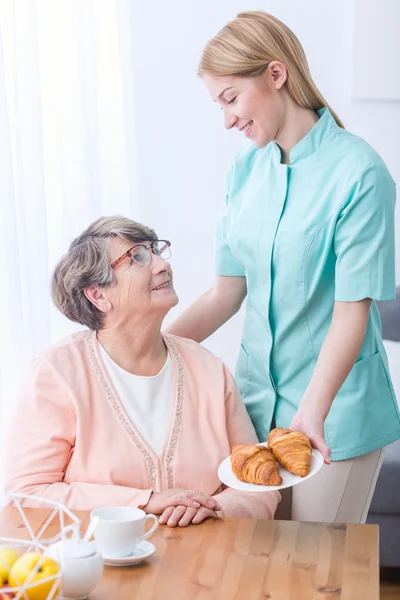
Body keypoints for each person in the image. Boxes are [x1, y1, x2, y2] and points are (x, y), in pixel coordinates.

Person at [166, 11, 400, 523]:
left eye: (231, 98)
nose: (226, 119)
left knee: (318, 571)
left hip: (333, 412)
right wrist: (147, 352)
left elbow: (351, 311)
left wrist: (313, 410)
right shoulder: (244, 170)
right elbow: (226, 293)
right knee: (258, 562)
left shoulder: (360, 173)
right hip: (253, 409)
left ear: (276, 74)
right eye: (218, 104)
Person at [4, 216, 279, 526]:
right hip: (101, 566)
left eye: (157, 250)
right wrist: (142, 502)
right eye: (137, 256)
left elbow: (261, 484)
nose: (162, 265)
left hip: (207, 564)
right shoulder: (56, 374)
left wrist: (215, 507)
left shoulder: (210, 370)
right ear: (98, 295)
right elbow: (27, 495)